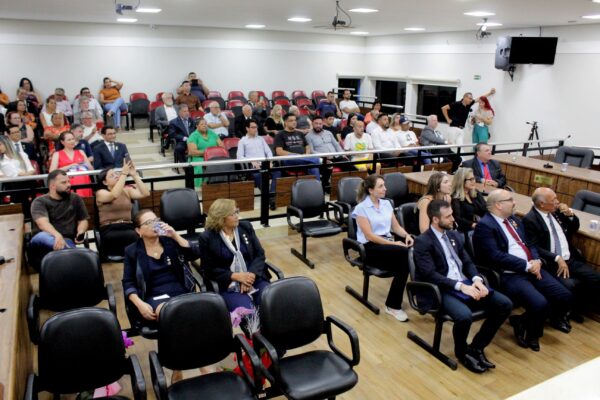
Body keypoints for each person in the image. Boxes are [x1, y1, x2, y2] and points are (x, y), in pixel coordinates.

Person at [414, 200, 512, 373]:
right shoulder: (423, 241)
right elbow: (430, 274)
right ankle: (462, 353)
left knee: (504, 304)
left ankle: (476, 347)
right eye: (448, 216)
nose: (453, 219)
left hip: (464, 283)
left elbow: (467, 261)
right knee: (464, 316)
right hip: (440, 289)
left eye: (452, 214)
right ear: (435, 220)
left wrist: (476, 279)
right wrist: (461, 286)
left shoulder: (453, 235)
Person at [472, 189, 573, 351]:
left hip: (532, 267)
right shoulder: (485, 226)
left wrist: (536, 260)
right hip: (510, 274)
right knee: (540, 303)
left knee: (563, 295)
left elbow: (530, 243)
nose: (514, 202)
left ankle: (521, 322)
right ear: (498, 205)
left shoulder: (513, 220)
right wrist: (526, 265)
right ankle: (533, 335)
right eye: (510, 200)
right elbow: (495, 256)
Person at [523, 187, 600, 320]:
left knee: (595, 278)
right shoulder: (530, 220)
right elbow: (534, 247)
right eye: (553, 200)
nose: (557, 202)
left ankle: (579, 309)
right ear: (542, 204)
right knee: (571, 285)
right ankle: (565, 313)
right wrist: (556, 257)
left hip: (570, 259)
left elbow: (574, 227)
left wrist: (570, 215)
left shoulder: (556, 212)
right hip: (552, 263)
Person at [352, 175, 414, 321]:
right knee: (405, 255)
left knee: (408, 258)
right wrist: (395, 244)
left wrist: (407, 235)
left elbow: (396, 227)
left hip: (388, 244)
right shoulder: (361, 209)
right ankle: (394, 305)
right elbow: (370, 236)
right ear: (370, 190)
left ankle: (393, 305)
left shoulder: (386, 204)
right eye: (380, 186)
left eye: (384, 185)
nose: (385, 189)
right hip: (370, 248)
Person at [122, 209, 199, 320]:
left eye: (156, 220)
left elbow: (194, 254)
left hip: (181, 291)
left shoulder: (170, 241)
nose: (155, 224)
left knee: (200, 310)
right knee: (168, 312)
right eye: (149, 222)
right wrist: (139, 304)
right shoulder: (132, 251)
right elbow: (128, 282)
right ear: (138, 230)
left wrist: (175, 236)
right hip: (154, 296)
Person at [200, 199, 272, 312]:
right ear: (221, 218)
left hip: (254, 277)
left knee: (270, 302)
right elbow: (209, 269)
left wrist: (250, 276)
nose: (237, 216)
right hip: (229, 284)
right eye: (232, 214)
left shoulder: (245, 227)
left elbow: (260, 254)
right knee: (247, 312)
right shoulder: (207, 238)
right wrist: (236, 276)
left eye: (237, 211)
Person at [30, 170, 89, 264]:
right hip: (43, 240)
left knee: (66, 248)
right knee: (44, 236)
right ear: (52, 186)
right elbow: (43, 223)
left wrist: (81, 231)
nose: (69, 185)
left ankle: (75, 257)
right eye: (64, 182)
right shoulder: (40, 201)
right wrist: (57, 235)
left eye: (68, 181)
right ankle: (75, 256)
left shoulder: (75, 198)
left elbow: (83, 219)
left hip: (67, 240)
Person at [96, 162, 150, 257]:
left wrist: (134, 175)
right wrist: (124, 174)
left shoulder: (127, 191)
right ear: (105, 182)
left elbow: (145, 193)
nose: (116, 176)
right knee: (133, 236)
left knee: (139, 234)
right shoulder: (101, 193)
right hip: (110, 229)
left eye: (116, 173)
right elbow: (113, 195)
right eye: (112, 176)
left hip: (127, 226)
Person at [237, 118, 280, 209]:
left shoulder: (261, 139)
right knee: (258, 175)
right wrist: (251, 161)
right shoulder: (242, 141)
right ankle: (271, 198)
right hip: (254, 166)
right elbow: (239, 157)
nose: (255, 129)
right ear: (247, 128)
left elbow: (269, 152)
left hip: (265, 164)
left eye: (256, 127)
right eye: (252, 127)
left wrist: (270, 161)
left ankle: (271, 195)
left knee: (277, 172)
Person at [306, 116, 348, 190]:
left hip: (335, 156)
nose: (318, 125)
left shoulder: (328, 133)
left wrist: (342, 153)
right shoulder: (308, 136)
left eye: (320, 124)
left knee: (349, 165)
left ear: (322, 124)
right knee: (328, 168)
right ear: (312, 124)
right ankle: (324, 188)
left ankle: (348, 186)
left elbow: (336, 145)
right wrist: (324, 156)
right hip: (324, 159)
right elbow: (312, 151)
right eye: (316, 123)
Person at [274, 113, 320, 180]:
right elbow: (279, 151)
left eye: (295, 120)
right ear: (285, 122)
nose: (294, 122)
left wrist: (306, 155)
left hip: (303, 159)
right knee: (315, 160)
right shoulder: (280, 134)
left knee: (314, 167)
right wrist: (295, 155)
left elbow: (307, 146)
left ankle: (318, 186)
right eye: (291, 120)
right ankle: (317, 160)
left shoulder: (300, 133)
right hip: (289, 160)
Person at [49, 131, 93, 197]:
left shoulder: (81, 152)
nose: (72, 141)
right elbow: (52, 171)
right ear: (62, 142)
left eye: (73, 139)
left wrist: (83, 164)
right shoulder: (57, 154)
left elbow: (91, 169)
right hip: (67, 183)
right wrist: (70, 166)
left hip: (84, 181)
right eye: (69, 140)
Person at [187, 117, 223, 187]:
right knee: (199, 165)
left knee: (223, 162)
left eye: (206, 124)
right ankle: (199, 187)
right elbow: (193, 152)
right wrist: (208, 153)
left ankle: (221, 184)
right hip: (199, 157)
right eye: (202, 124)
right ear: (197, 126)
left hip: (214, 156)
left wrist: (213, 153)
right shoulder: (193, 136)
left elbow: (221, 145)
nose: (204, 125)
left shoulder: (212, 133)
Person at [451, 167, 487, 233]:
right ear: (462, 181)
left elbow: (485, 208)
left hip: (480, 225)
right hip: (466, 230)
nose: (474, 181)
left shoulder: (475, 192)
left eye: (474, 178)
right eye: (471, 179)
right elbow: (458, 219)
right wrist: (473, 225)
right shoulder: (455, 197)